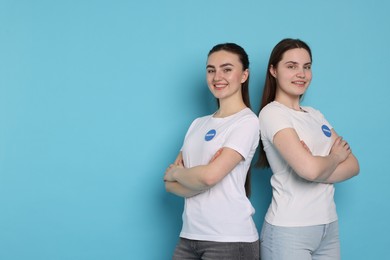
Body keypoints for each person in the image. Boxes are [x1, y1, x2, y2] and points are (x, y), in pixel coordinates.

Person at [257, 38, 360, 260]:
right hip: (290, 230)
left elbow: (353, 165)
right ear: (273, 70)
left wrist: (314, 164)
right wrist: (333, 158)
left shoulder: (315, 114)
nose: (301, 74)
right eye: (291, 66)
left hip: (328, 227)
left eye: (307, 67)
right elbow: (310, 170)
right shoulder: (272, 113)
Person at [164, 43, 260, 260]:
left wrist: (178, 174)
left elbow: (207, 177)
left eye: (227, 69)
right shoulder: (197, 124)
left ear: (244, 75)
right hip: (189, 237)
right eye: (211, 70)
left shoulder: (247, 122)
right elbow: (169, 186)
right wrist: (198, 178)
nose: (217, 76)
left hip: (230, 240)